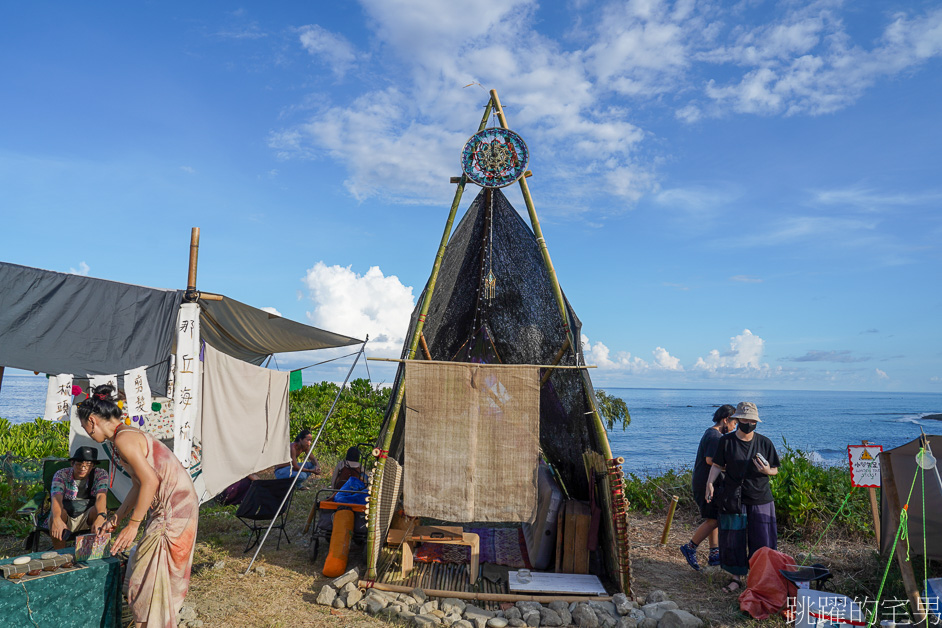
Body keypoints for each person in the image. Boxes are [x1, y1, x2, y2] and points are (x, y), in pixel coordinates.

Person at [78, 385, 198, 628]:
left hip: (174, 508)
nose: (87, 433)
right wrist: (119, 517)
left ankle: (154, 623)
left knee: (148, 572)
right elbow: (138, 483)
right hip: (173, 505)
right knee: (147, 569)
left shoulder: (124, 439)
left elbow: (151, 481)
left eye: (84, 428)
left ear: (92, 421)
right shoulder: (123, 436)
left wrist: (133, 526)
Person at [706, 401, 780, 593]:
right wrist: (710, 483)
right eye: (745, 419)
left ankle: (760, 579)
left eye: (752, 421)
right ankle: (736, 578)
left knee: (763, 540)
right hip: (733, 497)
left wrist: (766, 470)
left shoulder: (765, 442)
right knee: (733, 539)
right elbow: (716, 465)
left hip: (760, 497)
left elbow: (775, 470)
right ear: (737, 419)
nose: (749, 423)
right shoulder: (726, 441)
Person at [680, 404, 737, 571]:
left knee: (714, 517)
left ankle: (714, 553)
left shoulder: (712, 433)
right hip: (706, 484)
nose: (734, 428)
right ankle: (690, 547)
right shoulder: (715, 436)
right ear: (726, 419)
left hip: (705, 483)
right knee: (713, 520)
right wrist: (732, 467)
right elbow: (710, 460)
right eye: (734, 424)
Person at [46, 446, 110, 549]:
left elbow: (101, 496)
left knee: (101, 513)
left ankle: (95, 552)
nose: (82, 468)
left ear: (93, 465)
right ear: (72, 463)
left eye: (87, 465)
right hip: (67, 513)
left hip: (87, 513)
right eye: (79, 464)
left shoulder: (100, 474)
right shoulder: (61, 474)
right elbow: (56, 499)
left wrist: (101, 516)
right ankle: (61, 556)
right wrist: (57, 519)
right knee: (55, 516)